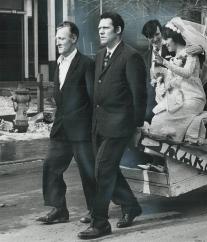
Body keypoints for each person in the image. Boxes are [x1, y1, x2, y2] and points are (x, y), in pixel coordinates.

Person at [77, 12, 147, 240]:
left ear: (118, 30)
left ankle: (100, 223)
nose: (100, 31)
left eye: (106, 28)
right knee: (107, 169)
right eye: (99, 28)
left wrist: (136, 126)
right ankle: (131, 205)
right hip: (99, 124)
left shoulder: (131, 56)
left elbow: (139, 95)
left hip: (120, 125)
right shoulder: (99, 56)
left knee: (102, 170)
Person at [36, 22, 96, 225]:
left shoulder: (86, 64)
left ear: (74, 39)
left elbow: (93, 98)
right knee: (51, 165)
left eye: (62, 38)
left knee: (88, 170)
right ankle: (59, 209)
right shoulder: (59, 63)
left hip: (82, 129)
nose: (57, 42)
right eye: (56, 38)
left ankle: (95, 210)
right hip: (62, 127)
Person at [149, 18, 207, 142]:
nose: (164, 42)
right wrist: (160, 77)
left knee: (160, 122)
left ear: (175, 38)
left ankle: (176, 143)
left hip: (192, 98)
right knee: (156, 120)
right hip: (179, 98)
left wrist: (164, 63)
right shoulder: (175, 57)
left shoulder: (191, 53)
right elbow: (174, 78)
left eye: (166, 39)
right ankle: (166, 153)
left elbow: (186, 73)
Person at [142, 20, 172, 122]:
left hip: (170, 92)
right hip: (151, 95)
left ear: (161, 32)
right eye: (151, 37)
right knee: (146, 116)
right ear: (147, 38)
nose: (155, 39)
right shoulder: (145, 57)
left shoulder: (171, 50)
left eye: (157, 34)